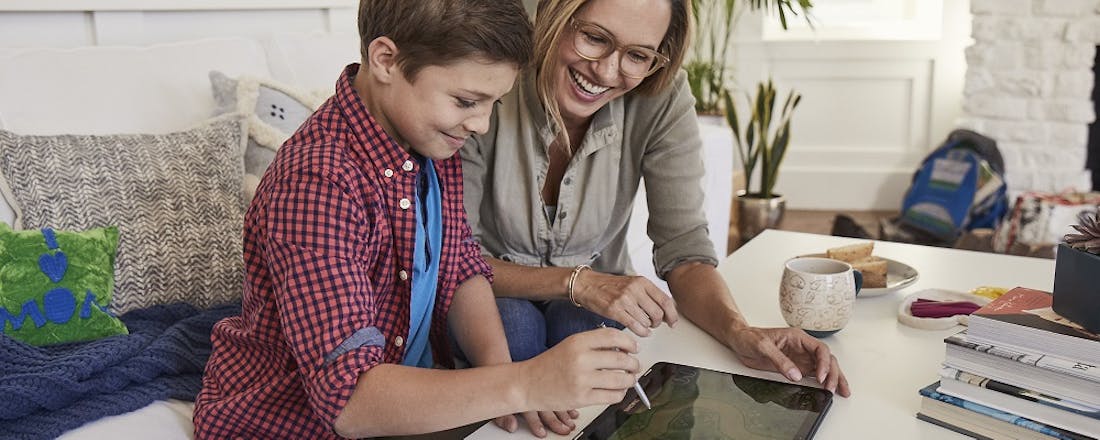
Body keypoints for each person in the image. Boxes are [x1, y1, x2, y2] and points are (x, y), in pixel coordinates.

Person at [193, 1, 642, 438]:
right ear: (386, 59)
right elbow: (349, 403)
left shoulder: (428, 136)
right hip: (300, 423)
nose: (481, 125)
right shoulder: (317, 183)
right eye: (467, 100)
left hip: (407, 389)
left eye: (493, 104)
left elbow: (459, 265)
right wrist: (525, 382)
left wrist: (508, 380)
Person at [462, 0, 852, 432]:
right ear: (555, 14)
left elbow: (684, 249)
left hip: (592, 297)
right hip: (485, 284)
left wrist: (741, 333)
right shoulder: (490, 76)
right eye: (594, 38)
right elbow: (453, 259)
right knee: (516, 329)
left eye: (637, 56)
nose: (608, 73)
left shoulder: (660, 94)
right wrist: (578, 282)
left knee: (586, 331)